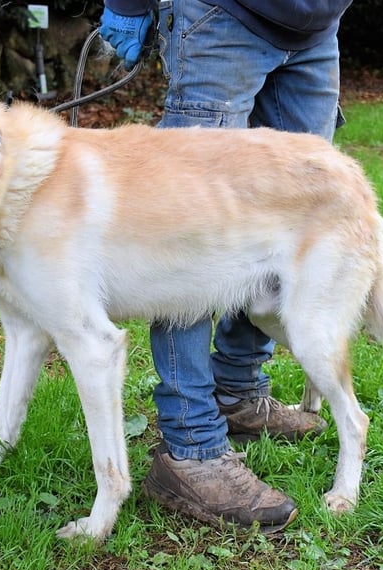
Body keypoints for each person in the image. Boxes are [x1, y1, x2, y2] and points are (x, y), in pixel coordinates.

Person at [100, 0, 353, 533]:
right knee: (189, 231)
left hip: (316, 27)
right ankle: (190, 446)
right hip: (220, 18)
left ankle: (238, 390)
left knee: (281, 219)